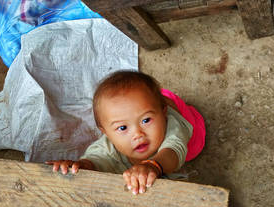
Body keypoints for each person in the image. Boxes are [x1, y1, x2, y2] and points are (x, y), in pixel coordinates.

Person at [46, 70, 206, 195]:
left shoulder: (173, 126)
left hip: (187, 128)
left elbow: (174, 150)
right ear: (105, 132)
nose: (138, 134)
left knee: (194, 147)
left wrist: (153, 165)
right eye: (123, 128)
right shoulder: (107, 146)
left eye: (146, 120)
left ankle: (169, 101)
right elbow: (95, 160)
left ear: (163, 113)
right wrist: (78, 167)